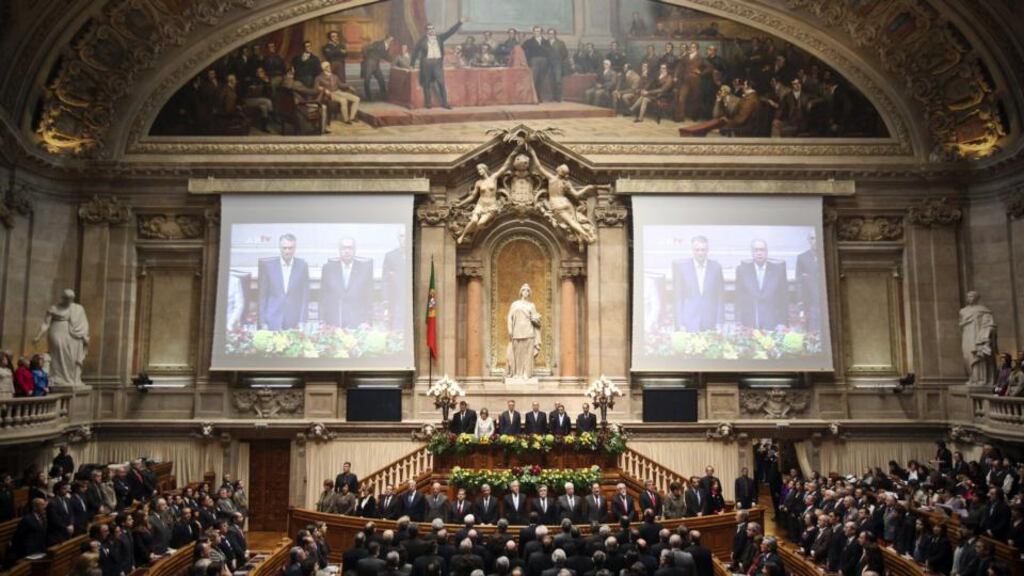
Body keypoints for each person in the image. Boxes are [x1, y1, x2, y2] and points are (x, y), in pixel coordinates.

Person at [32, 288, 89, 387]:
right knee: (58, 351)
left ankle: (70, 378)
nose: (69, 301)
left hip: (72, 335)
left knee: (71, 357)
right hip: (56, 332)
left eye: (71, 298)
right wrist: (38, 336)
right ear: (63, 298)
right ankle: (58, 376)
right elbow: (46, 324)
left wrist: (83, 334)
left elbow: (84, 324)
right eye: (67, 298)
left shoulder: (78, 308)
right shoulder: (54, 308)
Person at [411, 18, 467, 109]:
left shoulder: (440, 38)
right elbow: (415, 51)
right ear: (426, 31)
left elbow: (450, 32)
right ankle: (428, 103)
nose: (431, 30)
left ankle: (445, 103)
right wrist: (411, 64)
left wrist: (460, 22)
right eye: (429, 29)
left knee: (441, 83)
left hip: (437, 64)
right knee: (427, 84)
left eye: (432, 29)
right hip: (426, 64)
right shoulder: (422, 40)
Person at [673, 235, 725, 332]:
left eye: (703, 250)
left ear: (707, 250)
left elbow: (720, 297)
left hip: (710, 322)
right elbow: (678, 298)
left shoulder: (716, 268)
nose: (700, 253)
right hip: (688, 322)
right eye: (697, 250)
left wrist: (719, 322)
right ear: (692, 250)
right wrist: (679, 323)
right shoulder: (683, 268)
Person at [257, 233, 310, 330]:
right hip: (272, 319)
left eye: (290, 248)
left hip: (293, 321)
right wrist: (263, 321)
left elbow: (305, 296)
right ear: (280, 248)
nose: (287, 251)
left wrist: (302, 321)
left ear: (295, 248)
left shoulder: (302, 266)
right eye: (284, 248)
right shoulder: (269, 266)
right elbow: (262, 296)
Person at [735, 239, 789, 330]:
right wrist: (738, 322)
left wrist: (782, 323)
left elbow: (784, 298)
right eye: (756, 250)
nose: (759, 253)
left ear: (766, 252)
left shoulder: (778, 271)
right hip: (749, 324)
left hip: (773, 324)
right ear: (752, 252)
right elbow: (738, 298)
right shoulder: (742, 270)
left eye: (762, 250)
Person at [320, 238, 374, 329]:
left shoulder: (364, 269)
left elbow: (369, 298)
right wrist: (321, 322)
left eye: (350, 248)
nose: (347, 251)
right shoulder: (328, 269)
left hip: (358, 325)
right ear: (339, 250)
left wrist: (367, 322)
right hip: (334, 325)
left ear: (355, 250)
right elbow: (323, 297)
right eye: (344, 248)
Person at [959, 291, 997, 388]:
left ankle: (981, 379)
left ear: (977, 298)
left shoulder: (984, 310)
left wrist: (985, 337)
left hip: (978, 336)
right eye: (968, 296)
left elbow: (990, 324)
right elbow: (960, 324)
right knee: (967, 357)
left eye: (972, 296)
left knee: (979, 357)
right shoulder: (963, 311)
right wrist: (965, 322)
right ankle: (972, 378)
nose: (969, 298)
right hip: (967, 336)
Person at [506, 284, 542, 380]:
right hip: (517, 331)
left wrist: (536, 319)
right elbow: (509, 317)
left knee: (528, 354)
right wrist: (510, 330)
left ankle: (527, 373)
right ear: (520, 292)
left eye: (527, 291)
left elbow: (535, 318)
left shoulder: (531, 305)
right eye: (524, 290)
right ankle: (518, 373)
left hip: (529, 331)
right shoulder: (515, 304)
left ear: (529, 293)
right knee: (518, 354)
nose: (525, 292)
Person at [795, 231, 822, 332]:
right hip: (811, 306)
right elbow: (799, 285)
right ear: (809, 240)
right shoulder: (802, 258)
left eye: (817, 237)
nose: (815, 241)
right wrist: (801, 309)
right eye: (812, 238)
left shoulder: (828, 254)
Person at [362, 34, 393, 101]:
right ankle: (368, 97)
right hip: (369, 63)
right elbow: (366, 48)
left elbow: (386, 56)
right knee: (367, 80)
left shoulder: (387, 46)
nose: (391, 41)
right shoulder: (378, 43)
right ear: (387, 39)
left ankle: (384, 97)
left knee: (381, 79)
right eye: (390, 40)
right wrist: (367, 58)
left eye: (391, 40)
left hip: (376, 64)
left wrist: (392, 62)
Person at [522, 27, 549, 103]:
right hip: (534, 61)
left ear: (541, 32)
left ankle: (539, 97)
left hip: (544, 61)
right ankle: (532, 98)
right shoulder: (529, 42)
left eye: (538, 31)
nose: (536, 32)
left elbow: (549, 52)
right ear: (533, 32)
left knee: (541, 80)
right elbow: (523, 49)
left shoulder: (546, 41)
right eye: (535, 31)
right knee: (533, 79)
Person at [545, 28, 568, 102]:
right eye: (549, 33)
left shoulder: (560, 43)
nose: (550, 35)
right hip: (548, 64)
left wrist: (559, 60)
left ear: (555, 34)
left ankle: (558, 97)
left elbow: (565, 53)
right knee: (551, 81)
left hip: (557, 64)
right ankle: (552, 97)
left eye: (552, 33)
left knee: (558, 81)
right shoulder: (545, 42)